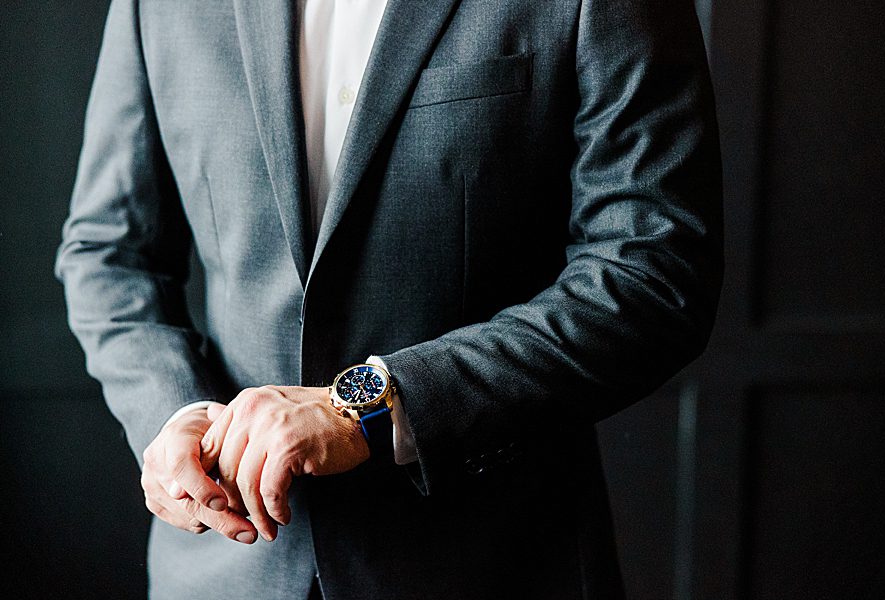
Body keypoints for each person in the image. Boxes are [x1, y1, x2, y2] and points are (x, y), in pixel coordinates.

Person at [56, 0, 722, 598]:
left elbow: (652, 272)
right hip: (221, 574)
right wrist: (170, 416)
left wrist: (366, 406)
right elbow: (109, 252)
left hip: (494, 563)